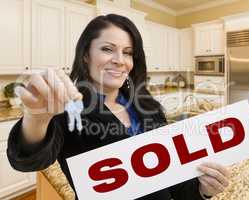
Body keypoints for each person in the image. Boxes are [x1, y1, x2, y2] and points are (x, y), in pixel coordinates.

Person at [7, 14, 230, 200]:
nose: (119, 60)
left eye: (128, 52)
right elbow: (27, 160)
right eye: (107, 49)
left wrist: (202, 191)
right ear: (85, 55)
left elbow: (172, 180)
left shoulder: (146, 106)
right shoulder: (68, 110)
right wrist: (36, 118)